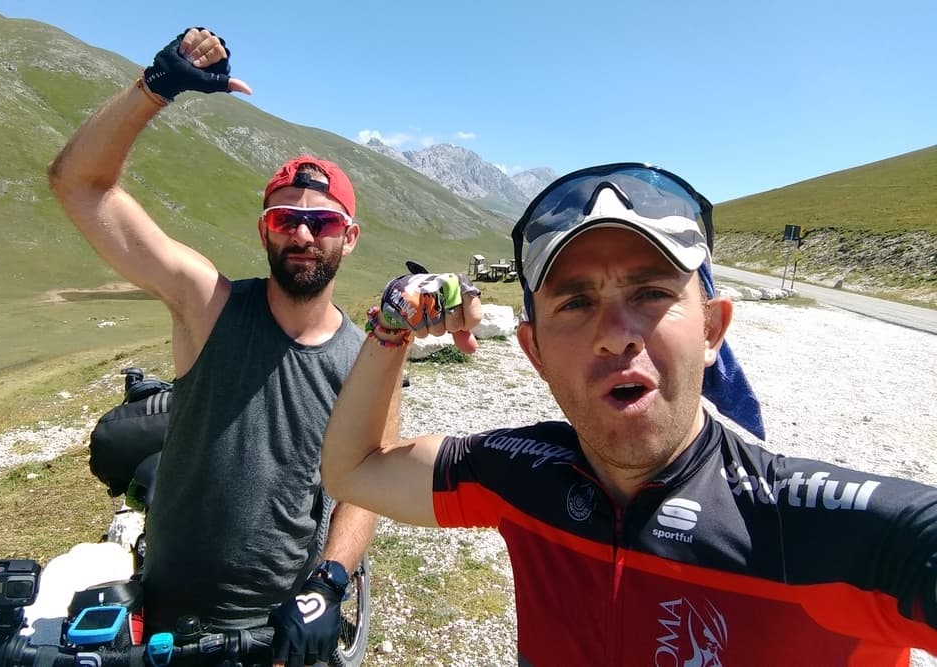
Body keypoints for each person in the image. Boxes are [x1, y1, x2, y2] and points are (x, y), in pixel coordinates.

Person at [321, 163, 937, 665]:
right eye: (576, 302)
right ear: (533, 349)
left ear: (712, 328)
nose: (616, 335)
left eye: (650, 294)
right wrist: (391, 328)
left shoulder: (826, 530)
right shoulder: (519, 477)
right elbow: (352, 471)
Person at [48, 26, 390, 666]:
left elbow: (368, 479)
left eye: (323, 222)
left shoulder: (366, 357)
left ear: (350, 237)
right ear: (265, 229)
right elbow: (79, 185)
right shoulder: (208, 306)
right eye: (285, 218)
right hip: (169, 622)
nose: (303, 234)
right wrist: (158, 86)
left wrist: (331, 580)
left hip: (282, 631)